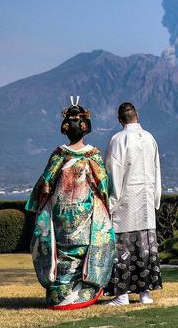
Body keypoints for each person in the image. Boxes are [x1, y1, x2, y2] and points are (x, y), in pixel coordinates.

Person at [25, 97, 116, 310]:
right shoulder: (93, 155)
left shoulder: (59, 155)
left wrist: (41, 203)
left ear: (66, 129)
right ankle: (80, 293)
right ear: (86, 129)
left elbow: (45, 183)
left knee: (61, 250)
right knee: (83, 250)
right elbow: (103, 185)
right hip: (86, 211)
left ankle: (59, 292)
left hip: (60, 211)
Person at [105, 102, 163, 305]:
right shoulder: (149, 138)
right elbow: (156, 169)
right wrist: (156, 197)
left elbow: (113, 173)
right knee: (145, 247)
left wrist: (110, 202)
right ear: (137, 116)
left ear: (119, 119)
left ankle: (122, 295)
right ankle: (145, 294)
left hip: (126, 201)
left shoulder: (118, 139)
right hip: (146, 200)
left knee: (124, 247)